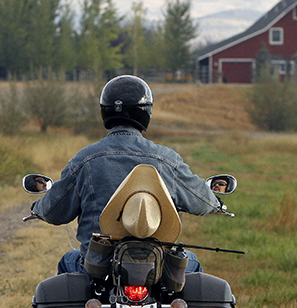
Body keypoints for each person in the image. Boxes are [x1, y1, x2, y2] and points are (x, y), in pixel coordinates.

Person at [29, 75, 223, 274]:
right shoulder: (167, 160)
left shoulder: (84, 160)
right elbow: (202, 202)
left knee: (67, 262)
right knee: (192, 263)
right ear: (146, 111)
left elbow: (55, 212)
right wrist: (217, 203)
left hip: (98, 266)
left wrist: (38, 208)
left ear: (105, 110)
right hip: (158, 266)